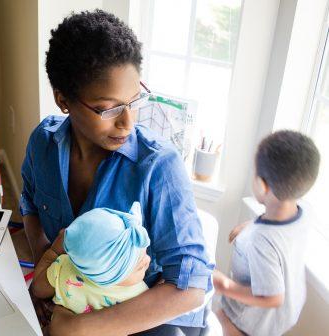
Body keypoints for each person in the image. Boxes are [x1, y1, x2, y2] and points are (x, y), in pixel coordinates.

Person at [20, 9, 213, 335]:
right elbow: (29, 201)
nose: (127, 122)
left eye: (134, 101)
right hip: (73, 301)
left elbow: (190, 287)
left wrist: (80, 328)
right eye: (109, 108)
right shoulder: (43, 142)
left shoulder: (158, 167)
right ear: (63, 99)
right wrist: (48, 272)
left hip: (144, 318)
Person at [213, 130, 320, 336]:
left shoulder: (260, 241)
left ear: (262, 186)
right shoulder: (304, 209)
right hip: (288, 309)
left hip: (248, 320)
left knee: (214, 321)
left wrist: (225, 285)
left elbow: (272, 297)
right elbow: (282, 229)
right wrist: (251, 224)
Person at [32, 202, 151, 314]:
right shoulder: (140, 296)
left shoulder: (64, 271)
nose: (148, 260)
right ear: (110, 277)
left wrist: (53, 252)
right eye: (140, 266)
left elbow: (38, 289)